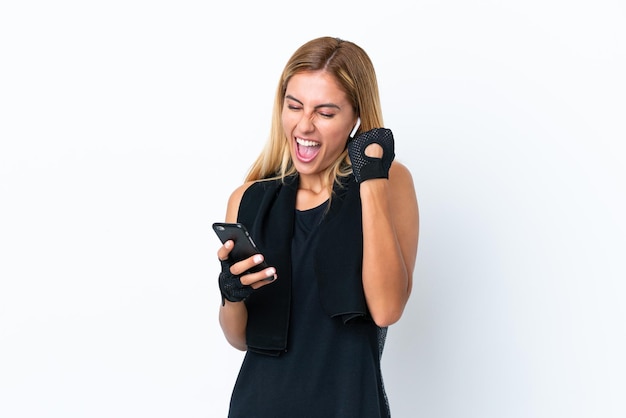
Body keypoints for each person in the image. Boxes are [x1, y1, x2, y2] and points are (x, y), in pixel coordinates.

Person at [216, 36, 419, 418]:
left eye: (325, 113)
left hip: (350, 405)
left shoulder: (390, 181)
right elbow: (239, 338)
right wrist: (231, 292)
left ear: (356, 116)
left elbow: (387, 309)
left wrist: (371, 176)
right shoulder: (249, 198)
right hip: (258, 405)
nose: (304, 125)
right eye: (294, 106)